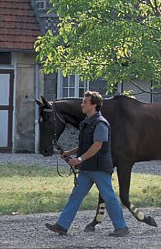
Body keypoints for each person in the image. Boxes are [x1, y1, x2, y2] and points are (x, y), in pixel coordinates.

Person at [45, 91, 129, 237]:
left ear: (94, 105)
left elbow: (97, 145)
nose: (82, 104)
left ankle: (121, 227)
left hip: (99, 168)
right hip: (87, 168)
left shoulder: (101, 123)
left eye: (85, 102)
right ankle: (62, 225)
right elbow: (85, 145)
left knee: (109, 196)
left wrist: (79, 159)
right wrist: (69, 153)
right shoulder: (86, 122)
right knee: (76, 196)